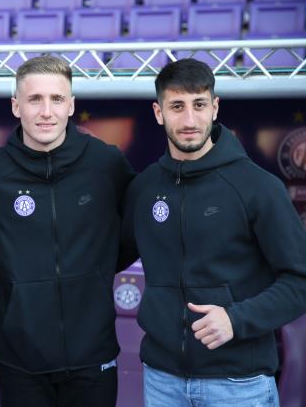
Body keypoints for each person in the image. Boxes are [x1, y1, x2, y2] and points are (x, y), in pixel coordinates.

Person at [120, 58, 306, 406]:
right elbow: (106, 256)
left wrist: (237, 319)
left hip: (238, 384)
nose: (190, 120)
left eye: (199, 104)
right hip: (162, 381)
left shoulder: (258, 187)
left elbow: (300, 280)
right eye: (177, 106)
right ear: (159, 113)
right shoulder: (144, 188)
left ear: (215, 107)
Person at [0, 56, 135, 407]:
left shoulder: (105, 163)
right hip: (20, 358)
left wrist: (96, 269)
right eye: (34, 99)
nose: (46, 112)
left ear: (70, 105)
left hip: (93, 354)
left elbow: (135, 230)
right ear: (16, 106)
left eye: (56, 99)